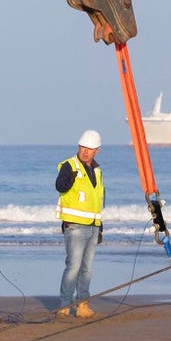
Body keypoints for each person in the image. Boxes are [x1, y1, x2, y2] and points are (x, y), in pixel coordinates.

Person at [55, 128, 104, 320]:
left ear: (96, 150)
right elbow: (60, 186)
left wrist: (99, 226)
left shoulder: (97, 171)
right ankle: (65, 306)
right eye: (83, 147)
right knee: (73, 267)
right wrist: (71, 176)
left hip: (92, 225)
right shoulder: (69, 165)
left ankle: (83, 305)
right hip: (74, 226)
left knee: (87, 268)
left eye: (89, 149)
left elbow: (97, 200)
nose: (85, 151)